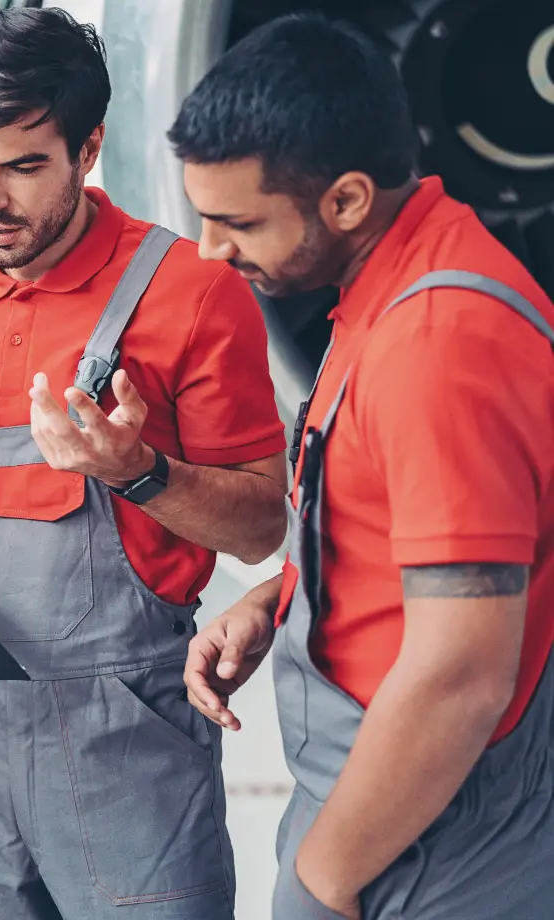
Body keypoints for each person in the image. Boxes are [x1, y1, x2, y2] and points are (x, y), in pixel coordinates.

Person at [0, 9, 290, 919]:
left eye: (24, 165)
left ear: (88, 147)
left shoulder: (193, 293)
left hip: (130, 742)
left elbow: (266, 528)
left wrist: (138, 471)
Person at [171, 14, 554, 920]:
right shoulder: (385, 288)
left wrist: (327, 876)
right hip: (396, 808)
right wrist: (282, 600)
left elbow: (461, 672)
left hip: (432, 834)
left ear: (344, 201)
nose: (210, 251)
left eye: (238, 223)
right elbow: (400, 517)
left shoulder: (438, 340)